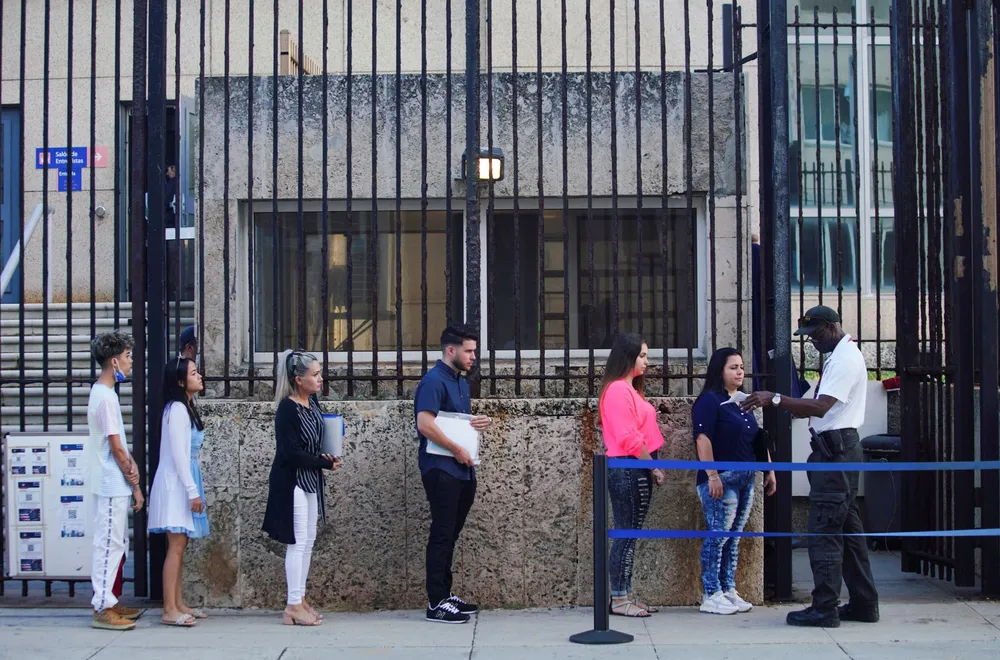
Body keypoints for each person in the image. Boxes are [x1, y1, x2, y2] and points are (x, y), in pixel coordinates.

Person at [741, 305, 879, 627]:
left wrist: (774, 398)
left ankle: (825, 608)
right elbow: (812, 409)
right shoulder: (839, 356)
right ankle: (863, 603)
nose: (812, 342)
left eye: (815, 335)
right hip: (837, 452)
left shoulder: (844, 359)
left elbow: (819, 406)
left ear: (831, 327)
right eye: (808, 337)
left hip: (836, 455)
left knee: (824, 532)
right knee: (849, 534)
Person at [414, 325, 492, 624]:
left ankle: (445, 596)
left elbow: (450, 421)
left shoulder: (459, 382)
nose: (473, 356)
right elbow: (425, 424)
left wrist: (474, 422)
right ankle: (436, 602)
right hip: (441, 469)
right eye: (469, 351)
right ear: (451, 350)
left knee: (450, 535)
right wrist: (457, 449)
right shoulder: (433, 381)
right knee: (442, 534)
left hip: (461, 470)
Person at [692, 348, 776, 615]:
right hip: (722, 479)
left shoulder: (744, 402)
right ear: (720, 371)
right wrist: (713, 475)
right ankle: (711, 592)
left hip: (746, 477)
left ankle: (728, 588)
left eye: (741, 367)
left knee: (733, 537)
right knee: (718, 535)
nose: (740, 372)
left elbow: (758, 439)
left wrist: (769, 470)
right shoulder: (709, 401)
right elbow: (702, 439)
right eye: (733, 367)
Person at [262, 350, 343, 626]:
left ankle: (300, 598)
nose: (320, 379)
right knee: (297, 543)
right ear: (298, 379)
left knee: (308, 541)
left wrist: (328, 456)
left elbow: (315, 442)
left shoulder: (312, 403)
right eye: (315, 375)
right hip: (293, 481)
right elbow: (290, 452)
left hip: (310, 480)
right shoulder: (288, 408)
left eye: (320, 373)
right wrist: (322, 463)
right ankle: (292, 605)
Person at [597, 332, 666, 618]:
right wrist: (653, 466)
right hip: (629, 467)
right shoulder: (618, 390)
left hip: (633, 467)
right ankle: (619, 598)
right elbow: (629, 437)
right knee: (625, 535)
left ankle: (624, 595)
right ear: (628, 357)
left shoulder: (629, 390)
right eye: (642, 355)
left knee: (629, 535)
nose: (647, 361)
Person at [87, 331, 144, 630]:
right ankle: (102, 605)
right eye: (127, 356)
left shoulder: (105, 394)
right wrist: (132, 476)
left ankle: (108, 598)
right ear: (114, 361)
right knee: (109, 543)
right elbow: (116, 446)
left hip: (114, 482)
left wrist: (131, 477)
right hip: (110, 482)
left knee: (116, 543)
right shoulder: (105, 397)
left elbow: (119, 443)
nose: (130, 361)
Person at [148, 357, 211, 627]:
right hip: (176, 483)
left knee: (181, 544)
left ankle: (178, 601)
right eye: (194, 373)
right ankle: (169, 608)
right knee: (175, 545)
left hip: (185, 479)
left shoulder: (186, 407)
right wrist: (191, 491)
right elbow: (178, 456)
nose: (200, 377)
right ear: (180, 381)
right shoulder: (176, 410)